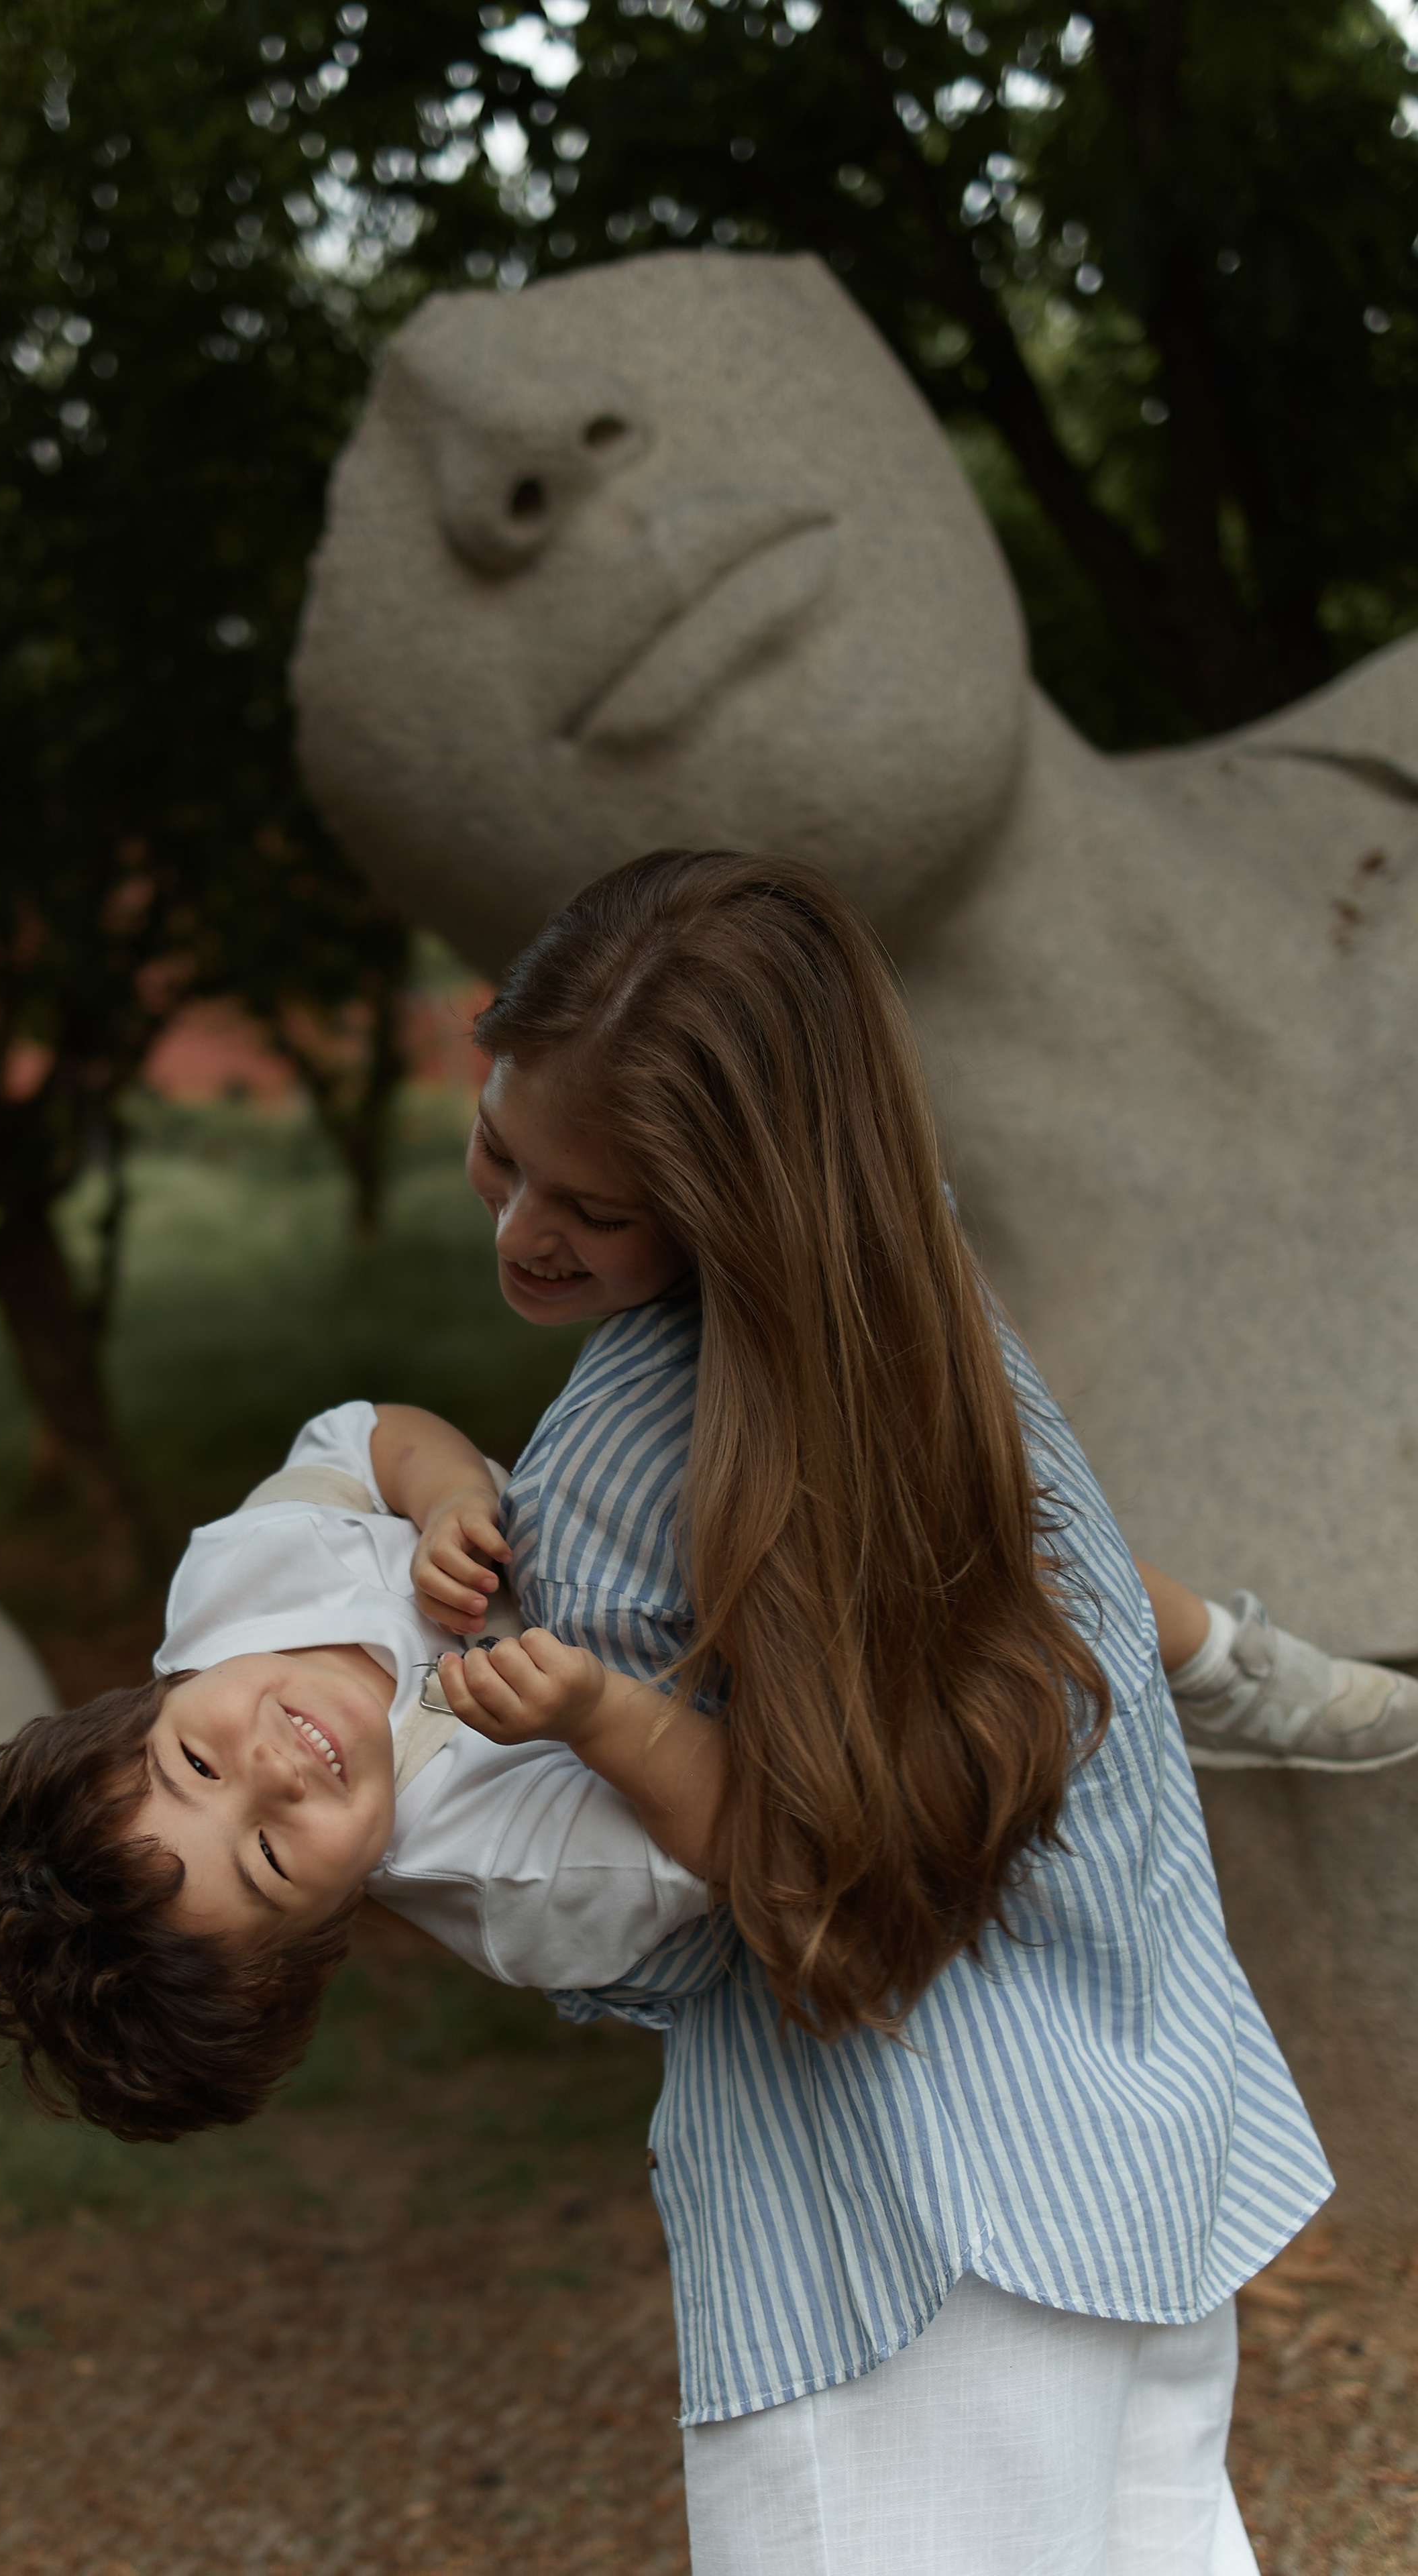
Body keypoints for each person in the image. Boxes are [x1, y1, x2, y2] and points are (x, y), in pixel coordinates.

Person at [408, 847, 1334, 2576]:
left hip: (901, 2229)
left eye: (590, 1207)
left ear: (731, 1203)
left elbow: (667, 1922)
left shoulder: (614, 1478)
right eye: (497, 1144)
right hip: (1141, 2133)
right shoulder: (931, 1315)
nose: (523, 1225)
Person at [0, 1397, 720, 2143]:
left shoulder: (241, 1579)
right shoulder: (502, 1873)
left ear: (146, 1703)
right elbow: (750, 1839)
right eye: (270, 1856)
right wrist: (599, 1717)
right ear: (310, 1939)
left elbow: (368, 1437)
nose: (275, 1775)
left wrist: (450, 1494)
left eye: (197, 1763)